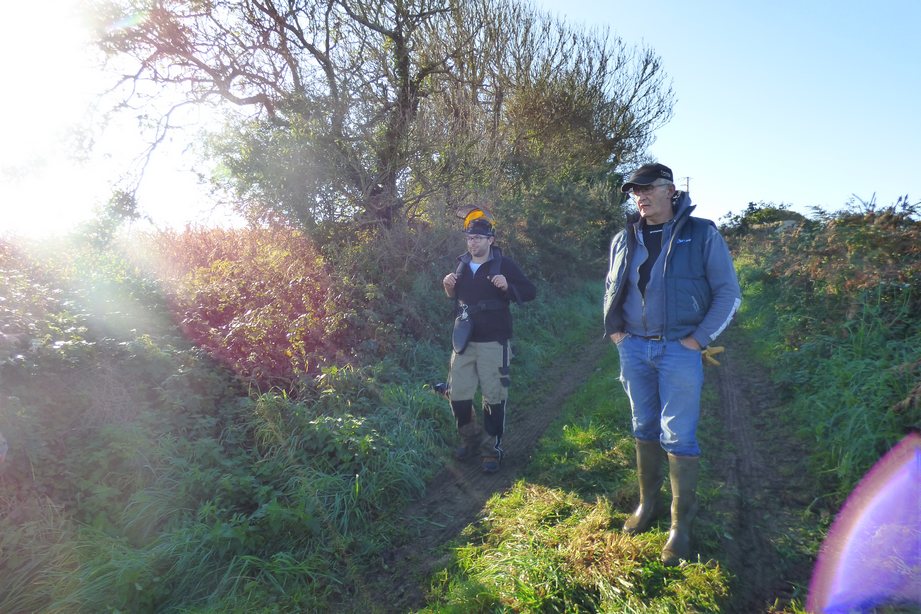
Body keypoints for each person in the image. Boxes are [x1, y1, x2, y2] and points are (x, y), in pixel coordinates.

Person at [603, 163, 741, 565]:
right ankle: (648, 504)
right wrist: (616, 333)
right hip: (633, 348)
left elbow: (728, 293)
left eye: (648, 188)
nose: (641, 196)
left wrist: (698, 340)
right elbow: (611, 286)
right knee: (643, 426)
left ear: (670, 190)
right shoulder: (624, 238)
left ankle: (681, 525)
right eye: (635, 191)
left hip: (679, 350)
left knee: (679, 436)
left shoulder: (702, 234)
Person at [442, 209, 536, 473]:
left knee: (494, 397)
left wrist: (508, 287)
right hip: (463, 341)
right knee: (457, 395)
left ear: (491, 240)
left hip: (495, 341)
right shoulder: (461, 264)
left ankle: (490, 450)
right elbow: (456, 298)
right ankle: (470, 438)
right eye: (469, 238)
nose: (472, 243)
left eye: (478, 238)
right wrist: (448, 287)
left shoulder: (503, 264)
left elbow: (530, 291)